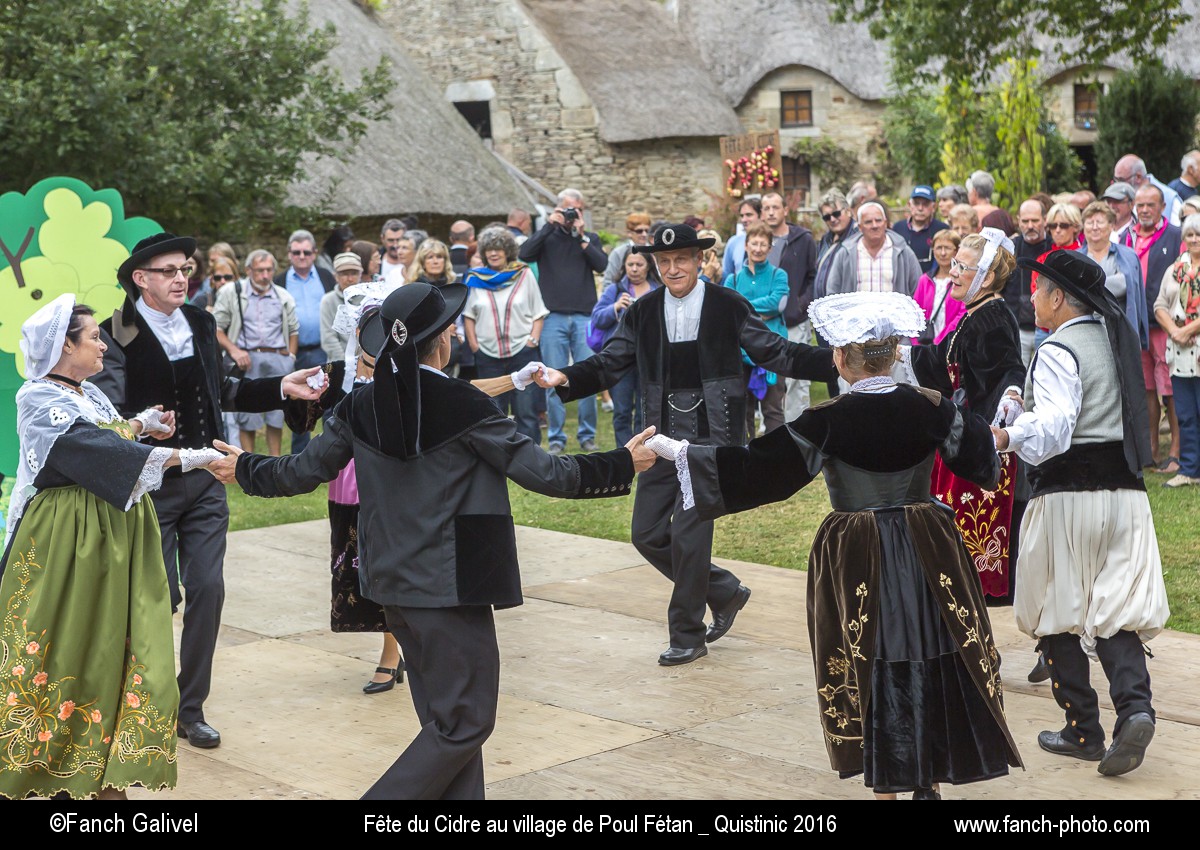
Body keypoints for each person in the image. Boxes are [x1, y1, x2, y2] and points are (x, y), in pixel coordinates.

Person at [206, 282, 656, 800]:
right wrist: (625, 462)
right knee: (465, 725)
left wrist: (247, 468)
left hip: (391, 583)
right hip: (451, 586)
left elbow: (300, 471)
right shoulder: (463, 404)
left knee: (445, 725)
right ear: (441, 341)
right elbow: (548, 474)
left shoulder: (359, 405)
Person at [647, 290, 1021, 799]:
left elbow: (761, 468)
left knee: (871, 653)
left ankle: (886, 783)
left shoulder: (826, 419)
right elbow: (977, 453)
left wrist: (683, 452)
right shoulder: (928, 406)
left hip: (859, 551)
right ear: (893, 354)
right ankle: (928, 777)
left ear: (842, 359)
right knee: (931, 646)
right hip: (928, 546)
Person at [536, 224, 839, 666]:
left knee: (690, 535)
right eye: (664, 262)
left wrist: (835, 362)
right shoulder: (641, 311)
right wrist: (568, 376)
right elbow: (610, 362)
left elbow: (776, 352)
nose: (673, 268)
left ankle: (687, 634)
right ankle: (723, 590)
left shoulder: (727, 304)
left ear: (700, 261)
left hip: (711, 442)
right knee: (646, 533)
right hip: (658, 437)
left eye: (682, 259)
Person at [94, 232, 325, 751]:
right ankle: (142, 701)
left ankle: (189, 707)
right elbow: (107, 413)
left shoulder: (200, 322)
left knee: (208, 590)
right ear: (141, 278)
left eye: (187, 269)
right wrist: (140, 425)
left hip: (206, 480)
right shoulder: (114, 333)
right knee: (157, 597)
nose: (182, 278)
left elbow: (226, 391)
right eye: (170, 271)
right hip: (148, 487)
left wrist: (282, 386)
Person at [0, 294, 223, 800]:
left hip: (106, 538)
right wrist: (191, 456)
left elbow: (111, 431)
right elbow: (97, 449)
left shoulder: (85, 392)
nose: (102, 343)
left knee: (114, 647)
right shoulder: (38, 398)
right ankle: (54, 769)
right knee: (70, 647)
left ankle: (101, 769)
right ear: (64, 346)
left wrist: (142, 422)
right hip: (69, 543)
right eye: (93, 337)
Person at [994, 249, 1168, 777]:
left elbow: (1055, 429)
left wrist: (1005, 433)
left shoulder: (1056, 348)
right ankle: (1135, 709)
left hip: (1068, 496)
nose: (1031, 300)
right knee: (1117, 608)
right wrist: (1022, 407)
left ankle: (1084, 730)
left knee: (1055, 607)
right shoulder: (1111, 338)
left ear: (1059, 297)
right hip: (1126, 497)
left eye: (1037, 290)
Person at [912, 229, 1026, 603]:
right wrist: (897, 354)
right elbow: (939, 363)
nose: (954, 270)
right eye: (955, 263)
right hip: (963, 436)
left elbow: (1010, 367)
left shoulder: (991, 318)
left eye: (963, 266)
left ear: (987, 277)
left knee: (970, 558)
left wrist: (1011, 393)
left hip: (981, 443)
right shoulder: (973, 313)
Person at [518, 188, 608, 454]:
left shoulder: (588, 237)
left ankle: (587, 435)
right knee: (550, 378)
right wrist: (549, 224)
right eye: (568, 209)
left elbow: (601, 265)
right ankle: (556, 438)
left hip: (583, 316)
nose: (572, 214)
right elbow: (525, 253)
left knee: (588, 377)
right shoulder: (547, 237)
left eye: (577, 210)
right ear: (558, 209)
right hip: (553, 316)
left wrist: (581, 236)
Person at [462, 227, 548, 445]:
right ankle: (498, 456)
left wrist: (533, 341)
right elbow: (468, 315)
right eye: (489, 249)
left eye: (498, 248)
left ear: (507, 250)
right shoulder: (474, 278)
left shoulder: (524, 274)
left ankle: (532, 458)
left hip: (522, 352)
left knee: (526, 410)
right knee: (493, 412)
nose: (493, 253)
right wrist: (474, 346)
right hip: (487, 354)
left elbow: (538, 312)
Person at [215, 249, 300, 456]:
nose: (265, 275)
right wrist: (234, 350)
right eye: (260, 270)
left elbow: (294, 330)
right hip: (247, 359)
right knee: (247, 414)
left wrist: (290, 358)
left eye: (269, 270)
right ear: (248, 270)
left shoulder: (283, 296)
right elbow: (215, 328)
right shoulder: (232, 293)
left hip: (277, 357)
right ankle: (247, 462)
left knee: (276, 415)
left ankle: (274, 463)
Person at [1123, 184, 1184, 471]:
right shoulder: (1126, 236)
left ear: (1161, 207)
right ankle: (1150, 450)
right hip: (1137, 324)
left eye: (1151, 204)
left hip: (1165, 323)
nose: (1145, 210)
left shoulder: (1175, 235)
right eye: (1140, 205)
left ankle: (1176, 448)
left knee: (1170, 388)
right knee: (1146, 387)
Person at [591, 249, 661, 445]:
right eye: (630, 265)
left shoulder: (658, 290)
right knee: (621, 410)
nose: (635, 269)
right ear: (624, 267)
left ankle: (642, 448)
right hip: (621, 360)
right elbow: (597, 317)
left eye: (639, 265)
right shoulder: (615, 290)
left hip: (648, 359)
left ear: (648, 266)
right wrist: (615, 307)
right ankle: (624, 452)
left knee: (644, 409)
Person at [760, 191, 818, 420]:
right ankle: (771, 428)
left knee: (796, 378)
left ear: (785, 210)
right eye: (767, 208)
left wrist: (800, 304)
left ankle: (798, 428)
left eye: (776, 207)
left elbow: (813, 276)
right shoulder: (756, 240)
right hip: (765, 323)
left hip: (794, 320)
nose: (771, 212)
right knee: (768, 376)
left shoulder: (803, 239)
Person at [728, 221, 790, 435]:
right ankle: (745, 455)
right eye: (754, 243)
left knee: (773, 409)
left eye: (763, 244)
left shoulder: (779, 275)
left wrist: (742, 307)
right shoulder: (733, 279)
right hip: (741, 353)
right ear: (746, 245)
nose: (758, 248)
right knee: (741, 409)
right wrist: (760, 312)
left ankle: (775, 457)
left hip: (772, 351)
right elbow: (727, 310)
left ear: (770, 247)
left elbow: (778, 303)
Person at [1153, 213, 1200, 487]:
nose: (1194, 240)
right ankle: (1190, 470)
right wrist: (1174, 331)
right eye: (1190, 235)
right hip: (1179, 350)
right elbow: (1160, 305)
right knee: (1185, 412)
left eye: (1199, 235)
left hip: (1195, 344)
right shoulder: (1175, 269)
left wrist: (1187, 330)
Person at [1078, 201, 1148, 348]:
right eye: (1090, 222)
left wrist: (1086, 286)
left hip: (1119, 332)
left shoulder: (1128, 256)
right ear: (1083, 227)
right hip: (1084, 334)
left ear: (1111, 226)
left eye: (1100, 222)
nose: (1095, 227)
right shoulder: (1074, 258)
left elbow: (1126, 286)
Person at [824, 202, 922, 297]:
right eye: (868, 222)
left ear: (885, 223)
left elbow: (919, 291)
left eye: (878, 220)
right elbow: (832, 292)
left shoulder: (903, 252)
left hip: (893, 313)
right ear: (860, 227)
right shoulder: (845, 254)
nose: (874, 226)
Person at [1008, 199, 1052, 363]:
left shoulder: (1054, 247)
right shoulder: (1009, 249)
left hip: (1048, 329)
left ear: (1045, 220)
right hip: (1017, 328)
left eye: (1035, 220)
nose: (1030, 225)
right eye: (1025, 221)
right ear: (1018, 220)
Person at [911, 228, 965, 345]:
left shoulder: (962, 279)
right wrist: (917, 346)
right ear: (933, 251)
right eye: (939, 248)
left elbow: (962, 315)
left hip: (952, 344)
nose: (943, 253)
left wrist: (939, 343)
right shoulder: (925, 280)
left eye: (948, 248)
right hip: (925, 347)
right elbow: (914, 314)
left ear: (956, 251)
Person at [892, 185, 949, 274]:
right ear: (909, 205)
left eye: (925, 204)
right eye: (916, 203)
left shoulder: (943, 230)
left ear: (934, 207)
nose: (920, 208)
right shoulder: (897, 228)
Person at [1114, 153, 1182, 226]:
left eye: (1121, 180)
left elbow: (1178, 233)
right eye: (1115, 180)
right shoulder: (1120, 199)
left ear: (1138, 177)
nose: (1117, 186)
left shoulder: (1170, 199)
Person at [321, 251, 364, 363]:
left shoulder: (369, 299)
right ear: (336, 276)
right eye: (344, 274)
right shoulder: (328, 301)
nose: (350, 279)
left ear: (360, 274)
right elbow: (328, 338)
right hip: (339, 364)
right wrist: (346, 364)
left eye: (354, 273)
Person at [602, 212, 653, 288]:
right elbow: (608, 282)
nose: (644, 234)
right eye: (639, 231)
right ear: (629, 233)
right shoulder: (618, 253)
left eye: (647, 231)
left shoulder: (654, 251)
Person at [721, 197, 762, 281]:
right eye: (742, 216)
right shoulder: (734, 242)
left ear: (761, 215)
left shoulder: (770, 242)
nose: (744, 219)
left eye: (749, 215)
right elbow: (727, 274)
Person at [967, 170, 1015, 235]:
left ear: (975, 192)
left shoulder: (971, 213)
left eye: (969, 192)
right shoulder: (999, 212)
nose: (968, 195)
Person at [379, 219, 409, 283]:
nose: (395, 245)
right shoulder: (376, 260)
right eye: (391, 240)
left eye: (398, 240)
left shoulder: (415, 262)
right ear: (382, 239)